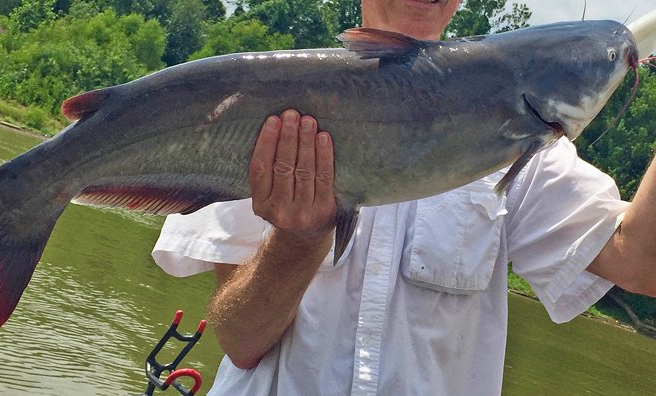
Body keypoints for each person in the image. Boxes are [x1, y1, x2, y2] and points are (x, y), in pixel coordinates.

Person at [152, 0, 656, 394]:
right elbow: (240, 340)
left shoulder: (526, 152)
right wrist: (297, 241)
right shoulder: (273, 108)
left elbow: (642, 263)